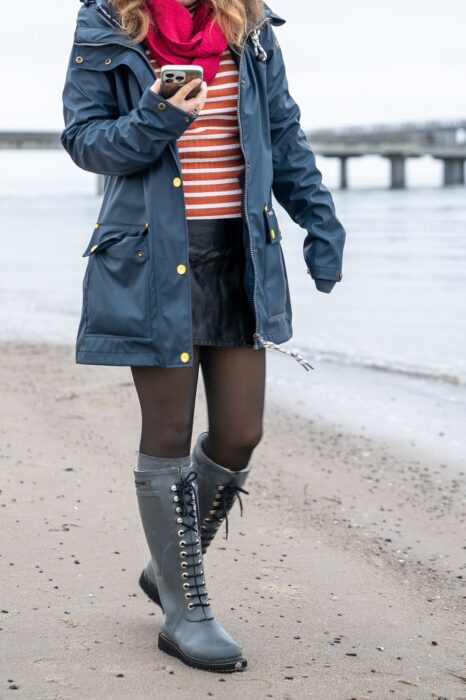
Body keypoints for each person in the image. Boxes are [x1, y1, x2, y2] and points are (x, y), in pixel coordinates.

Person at [61, 0, 346, 674]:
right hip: (150, 258)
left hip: (240, 256)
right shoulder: (106, 22)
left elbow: (282, 134)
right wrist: (160, 114)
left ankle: (166, 569)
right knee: (166, 435)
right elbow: (85, 140)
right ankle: (185, 610)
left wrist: (319, 217)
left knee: (241, 432)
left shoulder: (249, 27)